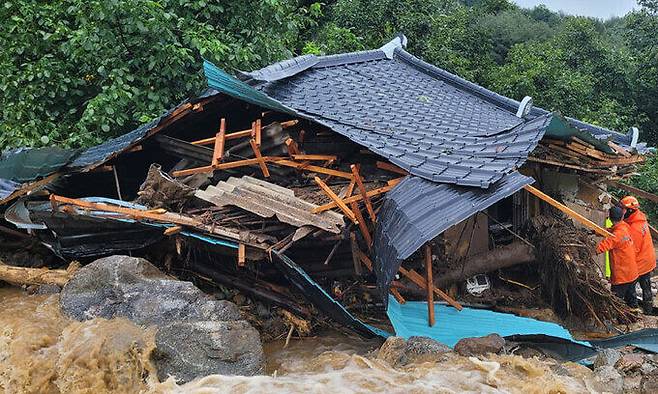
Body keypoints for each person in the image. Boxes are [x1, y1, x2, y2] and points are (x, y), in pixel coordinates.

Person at [596, 206, 639, 309]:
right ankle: (634, 314)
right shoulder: (625, 227)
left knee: (616, 301)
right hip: (632, 272)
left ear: (610, 219)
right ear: (622, 216)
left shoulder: (616, 236)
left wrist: (587, 249)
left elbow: (601, 247)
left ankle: (620, 319)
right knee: (631, 297)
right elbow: (611, 231)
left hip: (621, 275)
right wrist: (596, 232)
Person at [621, 196, 656, 314]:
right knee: (646, 286)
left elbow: (632, 251)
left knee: (629, 286)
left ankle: (633, 310)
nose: (621, 211)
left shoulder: (635, 228)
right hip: (648, 258)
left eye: (623, 208)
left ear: (630, 210)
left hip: (641, 261)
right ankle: (648, 310)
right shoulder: (639, 218)